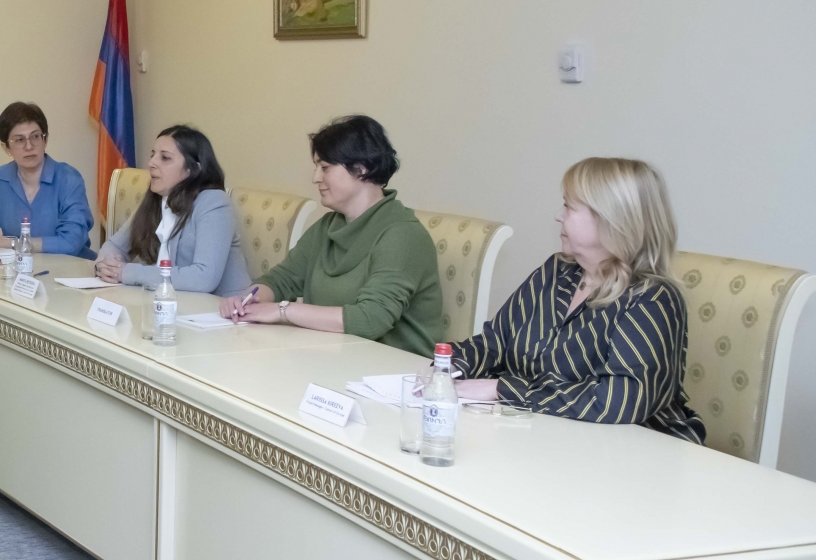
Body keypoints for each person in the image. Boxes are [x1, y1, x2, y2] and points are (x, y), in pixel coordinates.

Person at [441, 158, 703, 442]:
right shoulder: (556, 271)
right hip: (545, 437)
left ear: (611, 219)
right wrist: (448, 368)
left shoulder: (652, 299)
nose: (558, 215)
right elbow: (494, 343)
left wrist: (502, 389)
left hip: (636, 452)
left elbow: (617, 401)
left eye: (569, 206)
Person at [220, 115, 442, 355]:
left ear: (361, 169)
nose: (315, 178)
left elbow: (370, 319)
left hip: (394, 369)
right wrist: (248, 299)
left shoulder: (403, 234)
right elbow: (282, 280)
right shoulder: (327, 227)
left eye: (325, 167)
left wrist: (282, 311)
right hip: (334, 358)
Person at [95, 124, 252, 295]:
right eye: (153, 155)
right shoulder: (156, 198)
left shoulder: (214, 203)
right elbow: (115, 246)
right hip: (167, 303)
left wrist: (127, 272)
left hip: (221, 307)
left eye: (165, 158)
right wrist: (107, 266)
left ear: (192, 169)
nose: (151, 163)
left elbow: (203, 277)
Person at [0, 102, 95, 260]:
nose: (29, 146)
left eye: (35, 137)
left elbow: (71, 242)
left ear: (45, 140)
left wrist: (7, 243)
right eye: (19, 140)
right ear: (6, 148)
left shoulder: (68, 179)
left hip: (73, 269)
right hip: (22, 270)